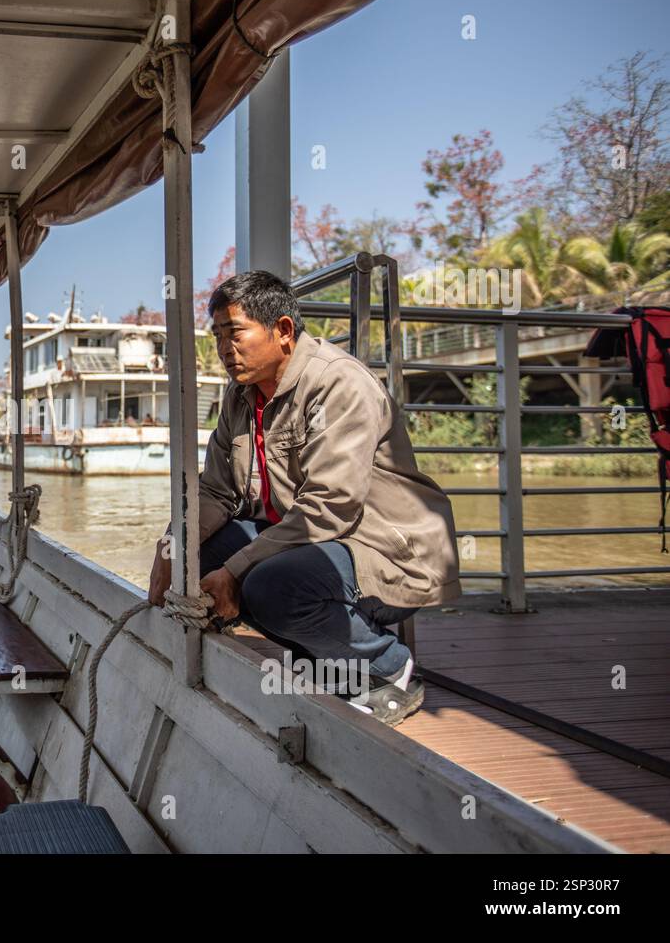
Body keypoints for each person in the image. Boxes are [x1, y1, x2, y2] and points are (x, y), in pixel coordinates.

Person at [147, 271, 460, 725]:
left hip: (387, 553)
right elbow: (215, 489)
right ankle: (324, 655)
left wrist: (235, 572)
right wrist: (171, 543)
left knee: (270, 585)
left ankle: (387, 668)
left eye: (235, 333)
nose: (223, 349)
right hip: (311, 545)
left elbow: (329, 507)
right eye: (217, 336)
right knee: (198, 553)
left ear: (284, 332)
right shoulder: (240, 398)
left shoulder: (338, 384)